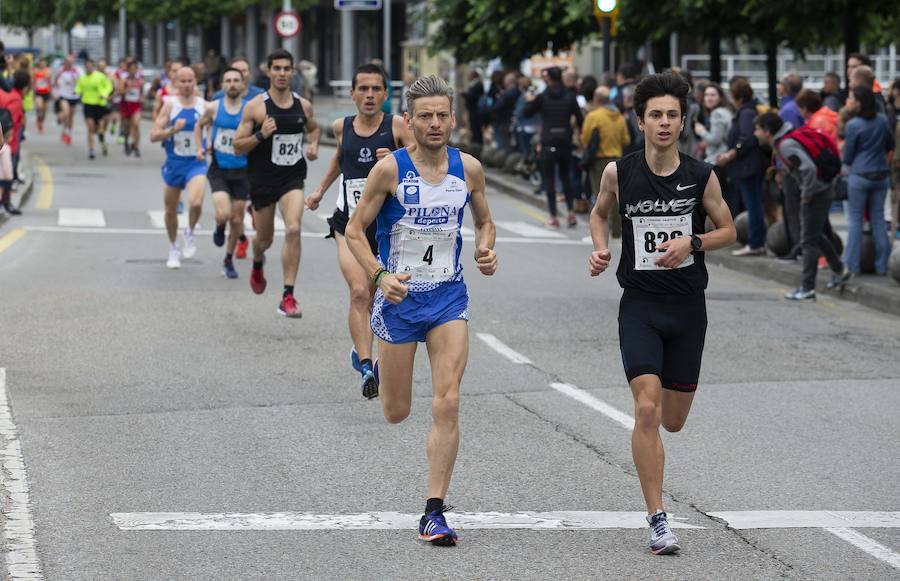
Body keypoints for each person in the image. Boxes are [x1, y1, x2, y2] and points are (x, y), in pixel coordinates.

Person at [345, 74, 497, 546]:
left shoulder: (468, 168)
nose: (434, 124)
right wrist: (378, 277)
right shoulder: (390, 171)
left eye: (442, 116)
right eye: (424, 116)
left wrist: (486, 249)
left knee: (447, 401)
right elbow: (354, 230)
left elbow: (485, 221)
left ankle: (434, 511)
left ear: (453, 119)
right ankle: (369, 360)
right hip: (399, 302)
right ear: (407, 121)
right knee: (395, 410)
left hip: (448, 297)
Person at [588, 72, 735, 555]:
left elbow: (729, 231)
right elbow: (599, 212)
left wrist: (693, 241)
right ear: (641, 121)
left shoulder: (701, 175)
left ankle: (657, 510)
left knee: (673, 421)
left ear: (683, 121)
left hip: (689, 310)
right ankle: (657, 518)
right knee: (646, 408)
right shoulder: (620, 172)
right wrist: (599, 249)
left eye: (672, 115)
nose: (665, 123)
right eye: (656, 115)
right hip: (641, 307)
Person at [306, 63, 415, 398]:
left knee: (378, 296)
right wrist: (320, 191)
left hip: (388, 229)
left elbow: (420, 161)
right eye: (363, 89)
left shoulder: (396, 126)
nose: (369, 95)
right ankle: (368, 366)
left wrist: (397, 156)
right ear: (352, 93)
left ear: (385, 94)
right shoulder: (343, 126)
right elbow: (341, 159)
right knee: (358, 291)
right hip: (349, 224)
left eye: (376, 89)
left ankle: (366, 347)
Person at [233, 49, 320, 318]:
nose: (282, 73)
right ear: (268, 72)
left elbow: (314, 128)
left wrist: (314, 144)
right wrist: (261, 134)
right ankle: (257, 260)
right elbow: (237, 147)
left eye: (287, 69)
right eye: (277, 69)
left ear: (293, 71)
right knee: (264, 240)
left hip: (291, 178)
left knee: (294, 228)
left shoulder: (303, 105)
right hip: (262, 180)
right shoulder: (256, 107)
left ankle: (288, 296)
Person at [754, 112, 849, 299]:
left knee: (807, 240)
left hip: (815, 193)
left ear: (767, 132)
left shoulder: (786, 145)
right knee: (815, 235)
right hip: (822, 189)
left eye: (757, 129)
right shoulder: (788, 139)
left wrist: (806, 196)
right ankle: (839, 270)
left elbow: (808, 169)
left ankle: (807, 288)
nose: (755, 133)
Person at [195, 67, 251, 280]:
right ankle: (219, 226)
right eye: (228, 80)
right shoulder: (213, 108)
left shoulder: (249, 109)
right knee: (224, 214)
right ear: (222, 85)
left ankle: (228, 259)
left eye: (236, 80)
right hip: (219, 168)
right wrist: (201, 147)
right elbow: (199, 126)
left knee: (237, 220)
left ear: (243, 85)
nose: (232, 84)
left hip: (243, 170)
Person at [149, 66, 208, 270]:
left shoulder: (204, 106)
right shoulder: (170, 105)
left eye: (190, 81)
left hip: (196, 163)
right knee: (170, 210)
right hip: (174, 164)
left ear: (195, 82)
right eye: (182, 81)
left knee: (196, 202)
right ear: (176, 83)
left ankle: (190, 232)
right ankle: (173, 247)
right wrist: (173, 129)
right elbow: (153, 135)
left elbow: (218, 128)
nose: (186, 85)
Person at [212, 57, 266, 260]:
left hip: (247, 165)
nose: (238, 77)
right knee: (228, 214)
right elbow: (207, 121)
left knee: (238, 215)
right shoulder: (219, 98)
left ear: (247, 76)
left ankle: (233, 251)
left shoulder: (259, 98)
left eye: (243, 72)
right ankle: (233, 232)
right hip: (223, 164)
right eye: (234, 73)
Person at [842, 86, 895, 276]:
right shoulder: (882, 121)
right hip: (881, 174)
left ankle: (851, 265)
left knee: (856, 221)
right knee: (879, 220)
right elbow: (890, 145)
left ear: (859, 102)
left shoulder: (854, 125)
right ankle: (883, 265)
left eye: (851, 98)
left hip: (860, 174)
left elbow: (847, 157)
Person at [524, 66, 584, 228]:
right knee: (566, 177)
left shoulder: (543, 97)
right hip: (565, 141)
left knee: (549, 179)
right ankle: (571, 213)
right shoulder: (570, 96)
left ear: (549, 79)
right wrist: (576, 133)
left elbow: (526, 112)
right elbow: (580, 119)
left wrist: (530, 99)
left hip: (548, 141)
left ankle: (553, 216)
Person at [718, 77, 769, 256]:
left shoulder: (746, 113)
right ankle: (757, 241)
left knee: (753, 204)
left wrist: (730, 154)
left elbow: (747, 139)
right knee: (754, 203)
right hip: (749, 165)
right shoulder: (747, 111)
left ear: (737, 96)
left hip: (749, 166)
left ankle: (755, 242)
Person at [581, 86, 630, 237]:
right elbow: (626, 140)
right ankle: (616, 228)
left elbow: (585, 139)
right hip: (617, 159)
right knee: (616, 196)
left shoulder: (594, 116)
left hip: (599, 160)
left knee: (600, 195)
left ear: (596, 99)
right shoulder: (620, 117)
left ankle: (601, 228)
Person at [0, 70, 28, 215]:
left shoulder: (3, 93)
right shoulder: (16, 99)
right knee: (7, 174)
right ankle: (6, 202)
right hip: (8, 142)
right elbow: (9, 122)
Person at [75, 59, 114, 160]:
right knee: (90, 128)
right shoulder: (82, 78)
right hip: (88, 105)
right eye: (86, 67)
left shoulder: (99, 76)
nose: (88, 68)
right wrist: (76, 92)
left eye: (90, 66)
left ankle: (102, 142)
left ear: (93, 67)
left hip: (99, 104)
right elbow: (78, 89)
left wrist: (104, 94)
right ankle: (91, 149)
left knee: (100, 129)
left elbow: (108, 86)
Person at [118, 60, 144, 156]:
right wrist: (127, 89)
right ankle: (126, 142)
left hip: (136, 106)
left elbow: (141, 93)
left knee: (136, 125)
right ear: (128, 70)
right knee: (127, 128)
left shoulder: (140, 80)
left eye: (135, 69)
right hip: (126, 106)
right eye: (131, 69)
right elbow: (120, 92)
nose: (133, 71)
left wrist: (142, 98)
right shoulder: (124, 80)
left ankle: (136, 147)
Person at [490, 72, 520, 152]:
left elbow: (497, 107)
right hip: (513, 120)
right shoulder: (518, 92)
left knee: (505, 143)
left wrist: (499, 98)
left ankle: (506, 159)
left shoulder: (507, 94)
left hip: (504, 120)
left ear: (508, 82)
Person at [55, 54, 80, 146]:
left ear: (73, 62)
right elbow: (56, 82)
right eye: (67, 61)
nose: (69, 63)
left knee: (70, 117)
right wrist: (56, 92)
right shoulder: (60, 70)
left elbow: (81, 82)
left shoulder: (77, 70)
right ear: (65, 62)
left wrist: (76, 80)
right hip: (63, 95)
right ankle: (63, 127)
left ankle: (68, 133)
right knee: (66, 113)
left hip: (74, 96)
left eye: (71, 62)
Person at [462, 70, 484, 144]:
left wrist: (464, 93)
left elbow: (472, 96)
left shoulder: (477, 84)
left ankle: (476, 142)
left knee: (476, 127)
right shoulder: (474, 84)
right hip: (473, 110)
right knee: (473, 126)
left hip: (476, 110)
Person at [32, 58, 52, 133]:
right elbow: (33, 82)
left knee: (44, 112)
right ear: (39, 63)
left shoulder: (48, 70)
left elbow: (50, 82)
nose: (42, 64)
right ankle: (38, 119)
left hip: (46, 92)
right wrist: (33, 92)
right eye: (41, 63)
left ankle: (41, 122)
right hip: (38, 92)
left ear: (46, 63)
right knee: (39, 107)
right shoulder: (35, 70)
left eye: (44, 63)